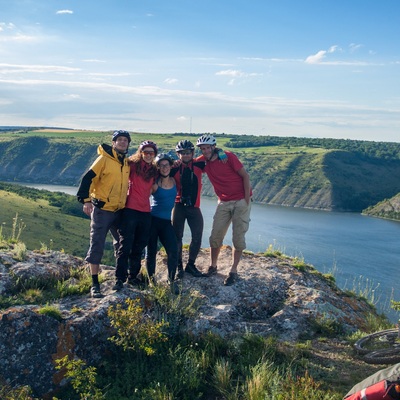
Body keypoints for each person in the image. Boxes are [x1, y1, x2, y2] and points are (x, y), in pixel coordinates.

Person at [77, 130, 131, 298]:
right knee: (97, 244)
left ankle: (119, 278)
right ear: (113, 142)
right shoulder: (104, 159)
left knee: (121, 244)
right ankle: (95, 284)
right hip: (102, 210)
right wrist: (85, 200)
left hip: (119, 210)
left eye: (125, 140)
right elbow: (87, 179)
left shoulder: (126, 162)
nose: (122, 142)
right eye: (119, 140)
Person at [196, 134, 252, 286]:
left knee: (238, 237)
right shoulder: (203, 162)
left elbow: (245, 176)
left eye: (208, 147)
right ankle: (213, 266)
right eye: (203, 148)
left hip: (240, 201)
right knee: (215, 235)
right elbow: (187, 163)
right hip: (224, 202)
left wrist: (246, 199)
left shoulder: (227, 156)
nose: (205, 151)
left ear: (214, 147)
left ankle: (233, 271)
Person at [113, 140, 158, 291]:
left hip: (145, 211)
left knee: (139, 246)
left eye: (152, 153)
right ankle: (119, 278)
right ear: (140, 153)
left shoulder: (154, 170)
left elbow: (168, 168)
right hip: (130, 209)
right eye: (146, 152)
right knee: (125, 245)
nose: (149, 155)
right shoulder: (131, 165)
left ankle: (133, 276)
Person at [170, 140, 206, 278]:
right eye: (182, 153)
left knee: (197, 236)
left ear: (192, 153)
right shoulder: (174, 168)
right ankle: (179, 267)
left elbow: (212, 154)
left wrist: (221, 153)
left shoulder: (198, 163)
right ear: (178, 154)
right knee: (177, 237)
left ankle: (191, 265)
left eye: (188, 153)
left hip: (194, 207)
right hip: (179, 205)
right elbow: (159, 167)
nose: (185, 155)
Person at [146, 153, 180, 294]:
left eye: (167, 165)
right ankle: (151, 281)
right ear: (157, 167)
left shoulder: (174, 181)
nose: (164, 168)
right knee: (151, 252)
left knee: (173, 250)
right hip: (153, 220)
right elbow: (143, 198)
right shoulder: (154, 184)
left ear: (171, 166)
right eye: (161, 165)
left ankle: (171, 280)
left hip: (166, 222)